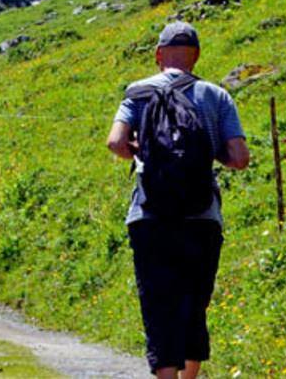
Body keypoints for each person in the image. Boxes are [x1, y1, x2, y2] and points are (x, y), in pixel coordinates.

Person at [106, 21, 249, 379]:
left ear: (158, 56)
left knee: (157, 304)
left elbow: (115, 143)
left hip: (149, 216)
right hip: (202, 217)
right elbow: (240, 158)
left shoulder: (136, 93)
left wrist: (144, 154)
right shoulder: (216, 96)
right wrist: (205, 153)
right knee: (192, 304)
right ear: (196, 56)